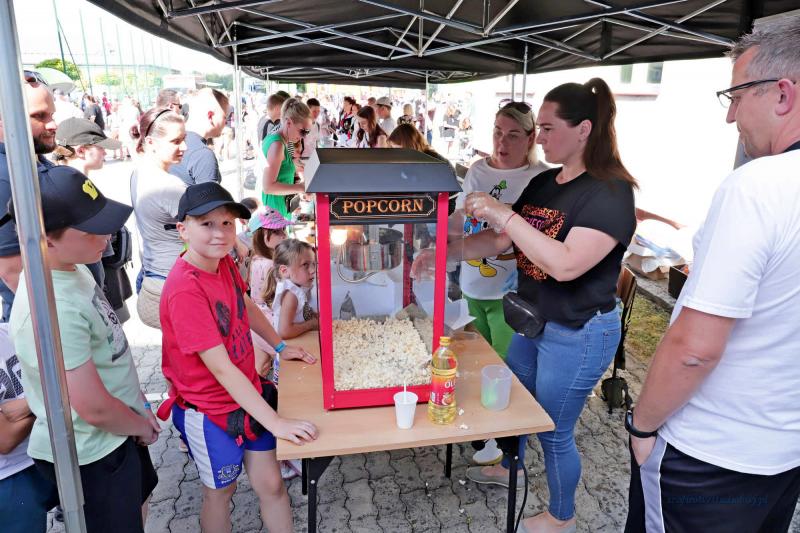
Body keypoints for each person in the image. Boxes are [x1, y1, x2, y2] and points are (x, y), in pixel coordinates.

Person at [417, 78, 636, 532]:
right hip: (534, 322)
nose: (541, 138)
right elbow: (501, 241)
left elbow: (566, 264)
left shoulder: (610, 192)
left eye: (549, 128)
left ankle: (561, 517)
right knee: (514, 402)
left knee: (553, 430)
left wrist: (504, 213)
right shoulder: (543, 182)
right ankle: (509, 467)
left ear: (584, 130)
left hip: (578, 331)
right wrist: (444, 253)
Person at [625, 15, 800, 533]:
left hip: (708, 456)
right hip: (784, 453)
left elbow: (694, 348)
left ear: (782, 94)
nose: (730, 117)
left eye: (736, 97)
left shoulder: (759, 185)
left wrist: (642, 425)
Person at [9, 166, 160, 532]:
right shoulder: (54, 306)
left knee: (137, 507)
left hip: (119, 429)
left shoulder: (71, 267)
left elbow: (109, 349)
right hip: (95, 449)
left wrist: (138, 404)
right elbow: (92, 407)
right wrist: (138, 425)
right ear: (46, 239)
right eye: (91, 230)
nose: (107, 236)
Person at [159, 182, 317, 533]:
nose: (220, 233)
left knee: (272, 485)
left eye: (227, 223)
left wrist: (279, 346)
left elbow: (244, 303)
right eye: (207, 224)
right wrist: (276, 422)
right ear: (183, 229)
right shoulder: (185, 288)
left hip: (248, 395)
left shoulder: (224, 263)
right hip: (209, 410)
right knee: (220, 492)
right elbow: (220, 369)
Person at [0, 79, 57, 321]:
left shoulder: (31, 160)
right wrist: (58, 325)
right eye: (39, 116)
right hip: (43, 323)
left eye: (52, 114)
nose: (53, 124)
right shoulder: (6, 176)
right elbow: (12, 271)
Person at [129, 108, 187, 328]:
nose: (184, 147)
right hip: (173, 281)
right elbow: (206, 231)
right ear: (151, 142)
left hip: (153, 273)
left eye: (184, 139)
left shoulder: (139, 171)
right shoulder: (169, 185)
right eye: (176, 141)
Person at [0, 323, 59, 533]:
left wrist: (28, 406)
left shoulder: (10, 331)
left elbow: (65, 379)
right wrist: (46, 402)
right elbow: (5, 439)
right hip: (9, 477)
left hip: (46, 454)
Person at [246, 208, 290, 372]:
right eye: (277, 231)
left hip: (257, 322)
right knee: (285, 371)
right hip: (272, 324)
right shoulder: (273, 266)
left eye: (283, 229)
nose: (284, 235)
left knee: (259, 370)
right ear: (264, 235)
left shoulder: (255, 259)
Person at [262, 98, 311, 219]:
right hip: (275, 212)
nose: (304, 137)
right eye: (302, 131)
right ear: (288, 123)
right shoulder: (277, 145)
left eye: (307, 132)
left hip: (279, 209)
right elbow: (268, 187)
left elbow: (280, 172)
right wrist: (301, 187)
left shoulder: (281, 140)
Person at [169, 88, 229, 186]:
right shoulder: (203, 154)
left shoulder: (171, 141)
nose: (226, 122)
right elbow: (209, 195)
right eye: (224, 117)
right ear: (210, 116)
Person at [264, 238, 318, 340]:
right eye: (305, 265)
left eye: (314, 264)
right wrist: (311, 324)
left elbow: (300, 311)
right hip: (291, 345)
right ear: (284, 271)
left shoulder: (298, 288)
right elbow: (284, 332)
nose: (312, 270)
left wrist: (313, 315)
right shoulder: (291, 295)